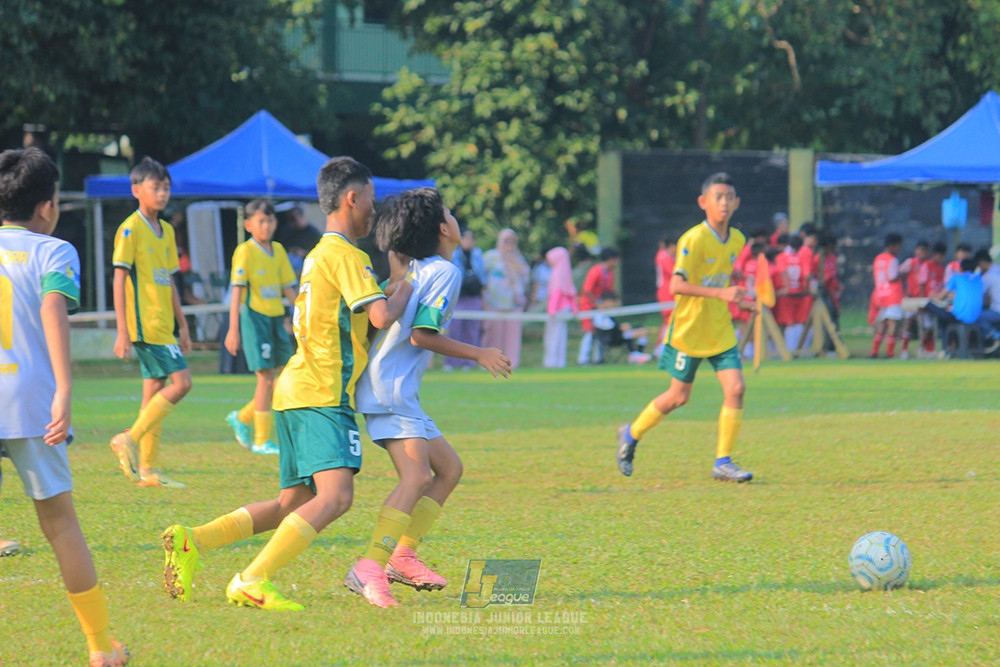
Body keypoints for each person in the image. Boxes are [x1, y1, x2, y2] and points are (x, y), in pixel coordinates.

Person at [158, 157, 413, 610]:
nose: (374, 211)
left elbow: (361, 315)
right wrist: (409, 285)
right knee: (336, 497)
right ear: (352, 198)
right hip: (321, 392)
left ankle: (192, 541)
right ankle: (254, 577)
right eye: (371, 200)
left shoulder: (318, 254)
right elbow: (379, 316)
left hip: (294, 390)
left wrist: (390, 285)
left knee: (289, 504)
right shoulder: (347, 254)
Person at [347, 188, 511, 608]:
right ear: (443, 228)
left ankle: (402, 554)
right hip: (389, 389)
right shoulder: (444, 272)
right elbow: (422, 335)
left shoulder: (420, 269)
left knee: (449, 469)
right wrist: (479, 353)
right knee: (417, 477)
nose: (455, 219)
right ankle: (370, 564)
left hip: (394, 389)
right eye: (451, 213)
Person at [0, 147, 129, 666]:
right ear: (48, 206)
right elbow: (54, 306)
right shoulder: (54, 251)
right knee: (59, 525)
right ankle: (100, 648)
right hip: (30, 401)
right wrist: (64, 390)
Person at [616, 172, 754, 483]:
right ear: (703, 202)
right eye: (718, 197)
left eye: (729, 197)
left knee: (737, 389)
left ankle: (723, 462)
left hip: (719, 329)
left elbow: (722, 278)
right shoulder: (693, 239)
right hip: (689, 331)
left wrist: (740, 300)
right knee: (678, 397)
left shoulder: (737, 240)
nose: (724, 202)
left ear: (737, 203)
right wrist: (721, 293)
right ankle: (631, 432)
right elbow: (677, 285)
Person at [109, 157, 192, 488]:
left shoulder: (167, 230)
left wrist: (183, 325)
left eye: (166, 188)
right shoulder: (130, 228)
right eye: (155, 187)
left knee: (154, 393)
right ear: (136, 190)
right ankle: (128, 438)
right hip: (146, 326)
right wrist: (122, 330)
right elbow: (118, 279)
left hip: (164, 325)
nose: (162, 193)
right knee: (182, 383)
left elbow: (170, 280)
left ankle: (147, 470)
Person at [224, 199, 298, 455]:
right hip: (255, 320)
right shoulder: (244, 251)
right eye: (261, 221)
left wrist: (305, 313)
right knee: (266, 378)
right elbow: (236, 293)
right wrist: (233, 330)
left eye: (271, 220)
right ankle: (261, 439)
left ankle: (243, 417)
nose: (267, 226)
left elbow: (288, 288)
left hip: (277, 319)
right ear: (248, 224)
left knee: (286, 374)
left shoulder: (278, 250)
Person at [482, 228, 529, 369]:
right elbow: (482, 277)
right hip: (493, 302)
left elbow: (526, 279)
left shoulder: (519, 259)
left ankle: (511, 363)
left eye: (512, 240)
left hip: (514, 304)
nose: (509, 243)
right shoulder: (491, 257)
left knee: (513, 336)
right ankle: (489, 362)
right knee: (493, 334)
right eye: (506, 240)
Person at [444, 226, 486, 370]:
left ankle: (469, 361)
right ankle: (451, 362)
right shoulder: (454, 253)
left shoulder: (477, 255)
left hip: (473, 297)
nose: (468, 241)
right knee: (455, 330)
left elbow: (482, 276)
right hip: (458, 296)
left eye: (470, 238)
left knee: (472, 330)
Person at [577, 247, 620, 365]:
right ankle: (583, 359)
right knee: (589, 332)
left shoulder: (610, 273)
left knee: (600, 331)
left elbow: (608, 291)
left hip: (600, 307)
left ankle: (598, 358)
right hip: (588, 306)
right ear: (610, 259)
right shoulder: (596, 271)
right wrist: (597, 304)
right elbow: (587, 290)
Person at [870, 233, 904, 359]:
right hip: (893, 295)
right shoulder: (892, 260)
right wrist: (903, 272)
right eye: (898, 246)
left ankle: (874, 351)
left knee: (882, 324)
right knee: (892, 325)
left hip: (881, 295)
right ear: (892, 246)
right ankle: (889, 352)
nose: (899, 249)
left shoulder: (878, 258)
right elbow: (892, 277)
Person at [543, 246, 577, 368]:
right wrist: (574, 308)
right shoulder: (566, 272)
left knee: (553, 336)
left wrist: (551, 309)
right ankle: (560, 362)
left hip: (557, 310)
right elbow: (572, 293)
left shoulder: (557, 273)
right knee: (561, 336)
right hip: (565, 309)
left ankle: (551, 362)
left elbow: (556, 293)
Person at [899, 240, 929, 360]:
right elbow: (898, 273)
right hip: (912, 299)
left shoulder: (928, 265)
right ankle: (904, 350)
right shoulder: (910, 263)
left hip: (924, 299)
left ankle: (921, 348)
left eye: (925, 251)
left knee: (927, 326)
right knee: (908, 323)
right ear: (916, 251)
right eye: (920, 250)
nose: (922, 253)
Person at [276, 205, 322, 277]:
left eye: (294, 219)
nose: (292, 222)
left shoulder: (313, 233)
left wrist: (303, 253)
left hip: (308, 263)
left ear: (301, 217)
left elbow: (320, 253)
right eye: (290, 219)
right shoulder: (287, 231)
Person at [654, 236, 677, 356]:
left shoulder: (671, 257)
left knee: (673, 320)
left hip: (672, 292)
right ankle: (660, 349)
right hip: (666, 293)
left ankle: (666, 347)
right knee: (669, 320)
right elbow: (675, 273)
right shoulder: (663, 256)